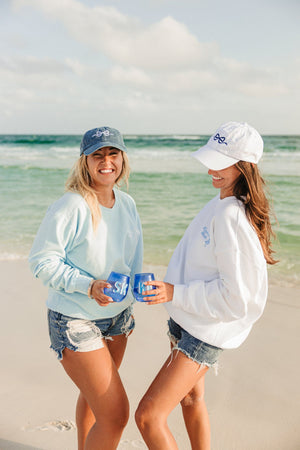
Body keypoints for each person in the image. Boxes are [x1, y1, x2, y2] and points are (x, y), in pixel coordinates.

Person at [135, 121, 278, 450]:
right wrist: (171, 291)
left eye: (221, 163)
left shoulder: (231, 216)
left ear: (243, 167)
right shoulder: (222, 204)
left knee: (148, 417)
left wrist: (174, 292)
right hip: (190, 319)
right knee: (191, 399)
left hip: (203, 331)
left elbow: (235, 299)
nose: (211, 170)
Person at [29, 126, 143, 450]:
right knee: (117, 414)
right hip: (74, 320)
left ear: (122, 159)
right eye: (98, 155)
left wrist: (141, 291)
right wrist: (89, 285)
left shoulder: (128, 204)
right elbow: (41, 261)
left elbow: (132, 261)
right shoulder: (72, 205)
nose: (106, 161)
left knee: (96, 402)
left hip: (118, 318)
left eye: (113, 153)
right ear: (85, 161)